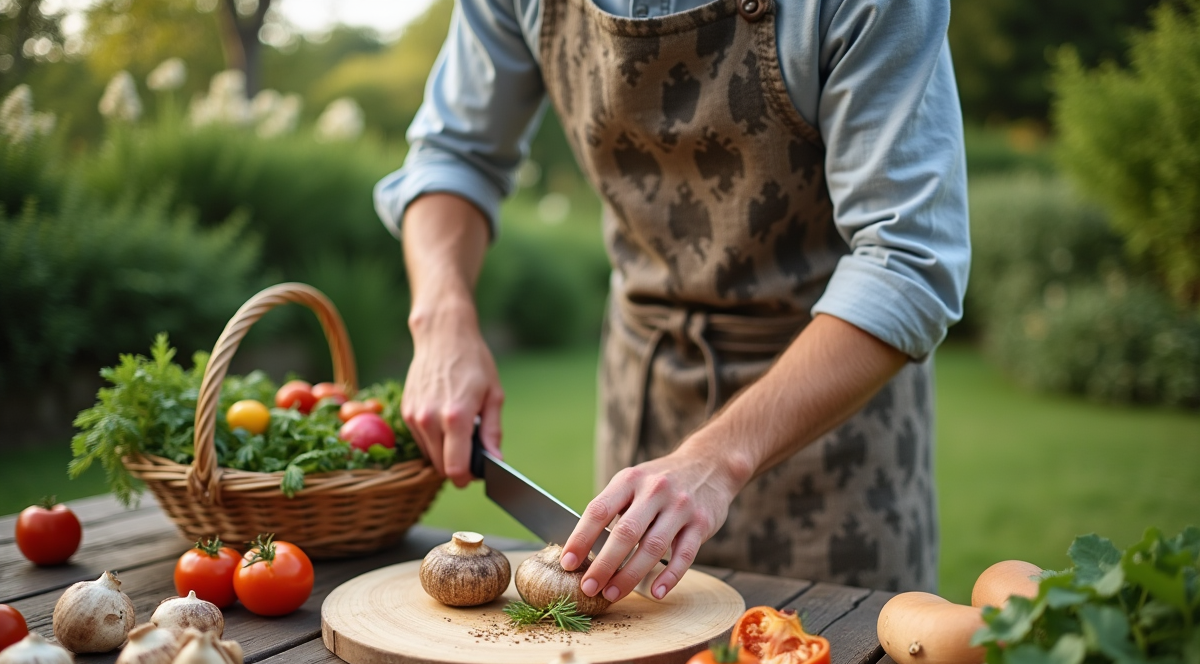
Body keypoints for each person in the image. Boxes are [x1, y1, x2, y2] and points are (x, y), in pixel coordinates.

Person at [376, 0, 970, 604]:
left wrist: (719, 456)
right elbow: (455, 156)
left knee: (830, 654)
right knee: (638, 648)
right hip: (643, 395)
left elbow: (906, 261)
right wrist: (442, 320)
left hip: (829, 425)